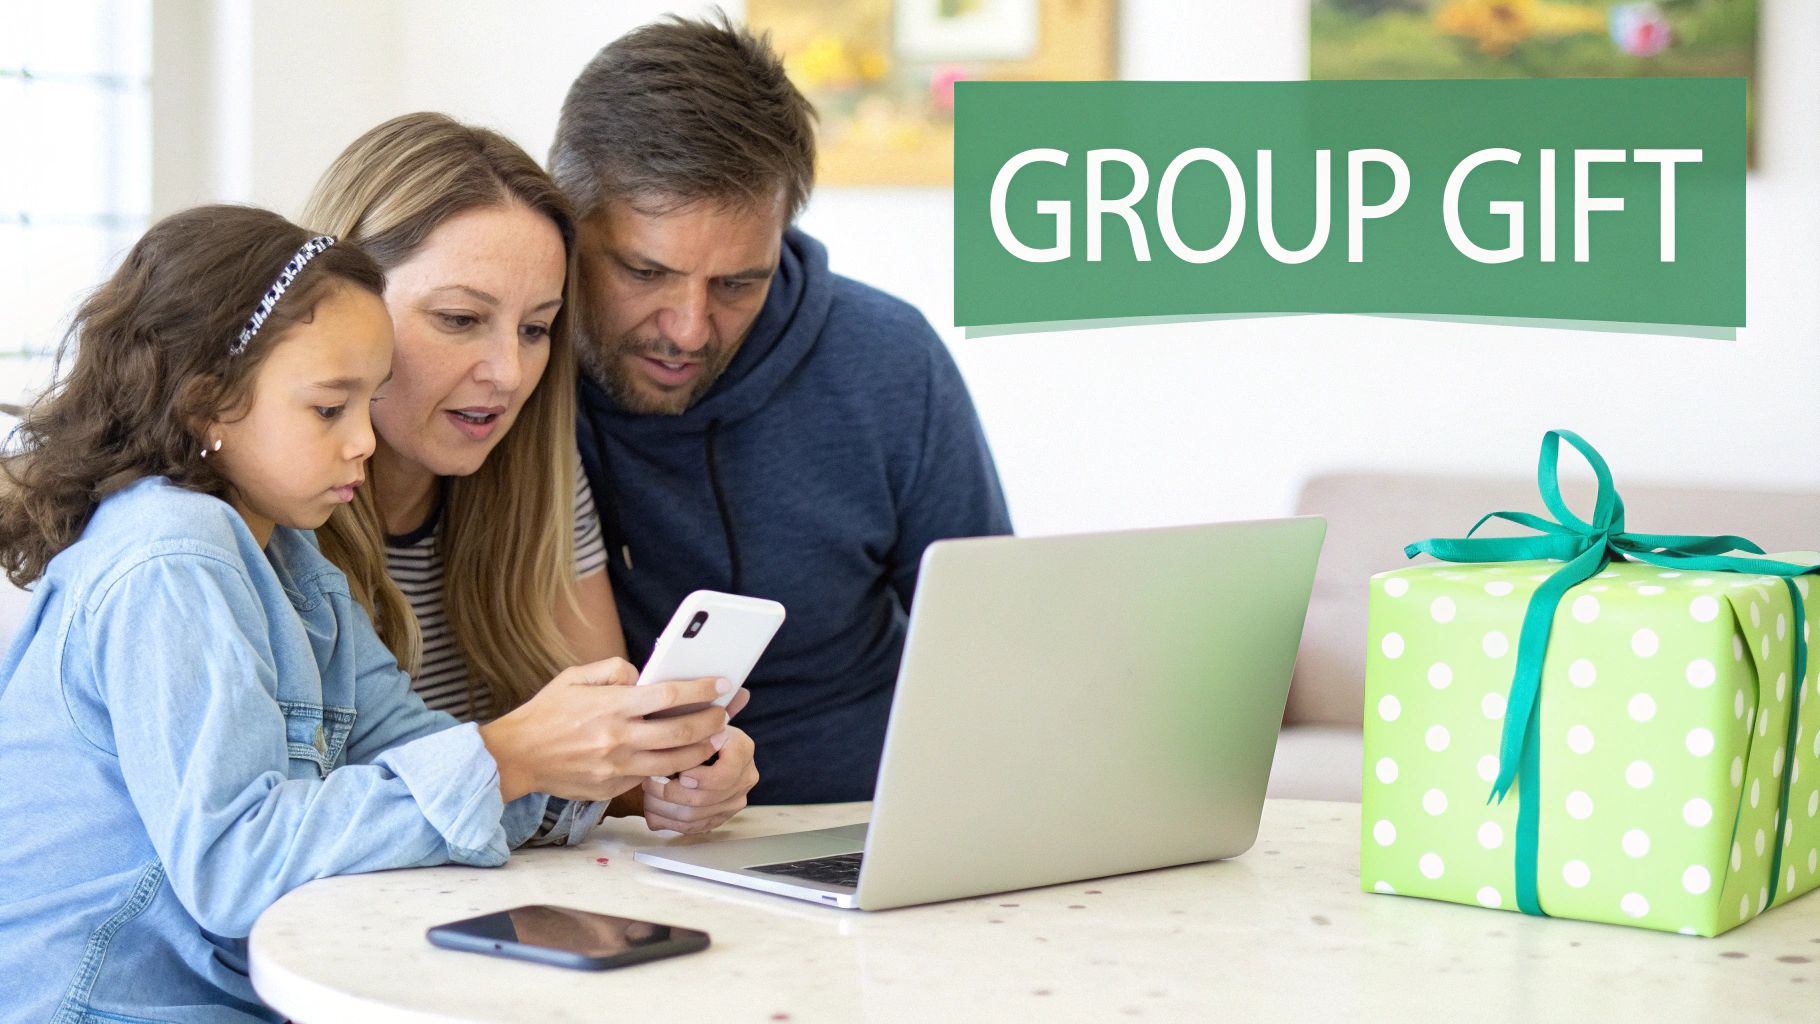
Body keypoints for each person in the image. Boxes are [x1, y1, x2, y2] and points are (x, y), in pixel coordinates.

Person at [0, 206, 730, 1021]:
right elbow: (232, 867)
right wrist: (506, 757)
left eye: (369, 403)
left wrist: (599, 761)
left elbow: (413, 748)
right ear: (209, 406)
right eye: (327, 409)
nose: (364, 442)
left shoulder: (289, 562)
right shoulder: (173, 557)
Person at [551, 14, 1013, 804]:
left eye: (738, 283)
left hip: (864, 820)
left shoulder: (889, 359)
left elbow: (994, 641)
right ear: (564, 222)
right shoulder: (509, 376)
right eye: (645, 271)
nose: (688, 330)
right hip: (612, 833)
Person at [302, 113, 757, 834]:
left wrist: (672, 773)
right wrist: (519, 757)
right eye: (459, 319)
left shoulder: (531, 471)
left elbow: (591, 760)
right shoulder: (254, 522)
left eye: (536, 328)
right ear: (342, 308)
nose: (508, 375)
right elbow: (265, 828)